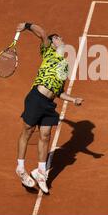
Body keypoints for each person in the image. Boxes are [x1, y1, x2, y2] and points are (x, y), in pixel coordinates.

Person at [14, 22, 84, 193]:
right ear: (52, 43)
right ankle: (21, 168)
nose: (61, 39)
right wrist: (27, 25)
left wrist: (73, 99)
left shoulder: (64, 65)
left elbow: (59, 91)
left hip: (49, 104)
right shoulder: (48, 52)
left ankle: (40, 172)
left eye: (61, 38)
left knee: (45, 136)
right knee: (28, 130)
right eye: (57, 38)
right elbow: (43, 33)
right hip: (36, 98)